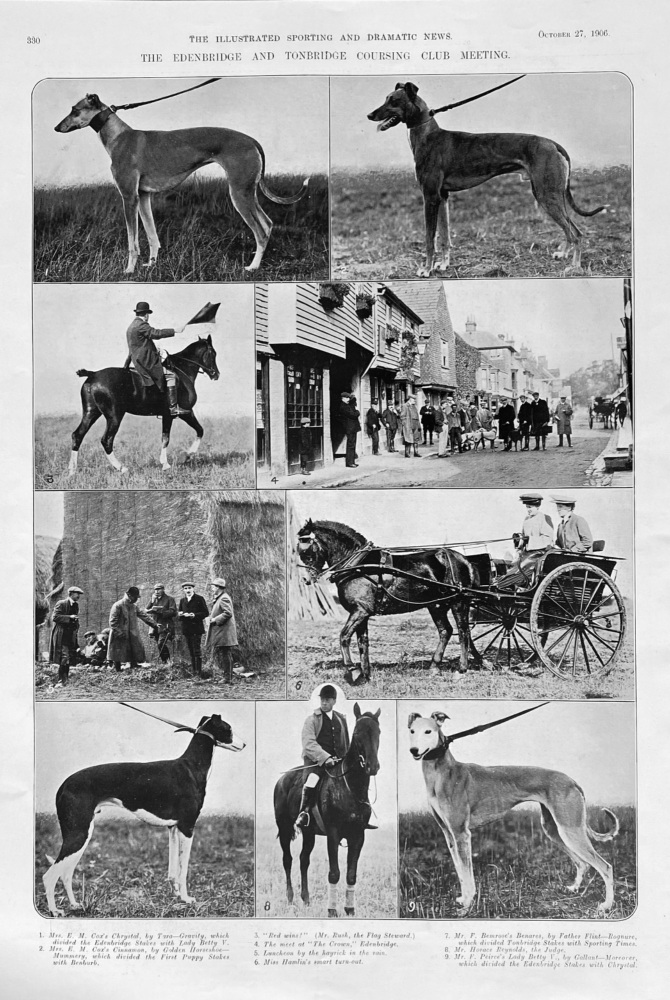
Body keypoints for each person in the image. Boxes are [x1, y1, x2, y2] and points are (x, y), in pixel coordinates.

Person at [294, 684, 350, 833]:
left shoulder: (341, 719)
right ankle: (304, 813)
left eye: (327, 700)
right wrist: (325, 758)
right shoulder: (312, 720)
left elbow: (346, 742)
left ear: (334, 701)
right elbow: (308, 744)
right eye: (322, 700)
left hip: (337, 763)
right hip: (315, 763)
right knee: (312, 780)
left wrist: (345, 760)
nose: (324, 702)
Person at [124, 301, 188, 417]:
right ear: (146, 314)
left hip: (137, 361)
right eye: (148, 314)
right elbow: (156, 333)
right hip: (146, 362)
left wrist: (125, 366)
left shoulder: (131, 327)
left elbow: (132, 349)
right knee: (171, 375)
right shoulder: (141, 325)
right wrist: (174, 331)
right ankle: (173, 407)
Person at [496, 493, 554, 590]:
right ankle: (501, 583)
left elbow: (547, 539)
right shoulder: (527, 519)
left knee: (519, 570)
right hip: (526, 553)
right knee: (512, 568)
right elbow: (523, 537)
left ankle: (502, 585)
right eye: (527, 507)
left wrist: (529, 540)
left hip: (539, 554)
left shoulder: (545, 518)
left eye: (530, 507)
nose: (528, 510)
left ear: (537, 506)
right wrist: (519, 545)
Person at [108, 586, 157, 671]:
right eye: (135, 597)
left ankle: (133, 664)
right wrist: (119, 632)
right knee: (118, 650)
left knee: (134, 647)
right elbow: (112, 622)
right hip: (119, 633)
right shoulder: (118, 605)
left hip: (131, 632)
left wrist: (155, 624)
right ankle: (117, 668)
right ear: (130, 596)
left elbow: (143, 615)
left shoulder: (134, 606)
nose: (137, 599)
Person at [205, 577, 238, 684]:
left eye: (213, 586)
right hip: (222, 632)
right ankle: (227, 676)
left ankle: (227, 678)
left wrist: (214, 619)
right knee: (225, 653)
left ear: (218, 587)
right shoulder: (220, 597)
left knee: (226, 654)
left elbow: (228, 613)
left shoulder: (224, 598)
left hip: (225, 632)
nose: (212, 588)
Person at [49, 585, 84, 685]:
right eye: (77, 594)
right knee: (64, 657)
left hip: (70, 635)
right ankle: (61, 679)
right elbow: (55, 617)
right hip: (61, 635)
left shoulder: (76, 606)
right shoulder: (61, 603)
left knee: (69, 657)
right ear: (71, 594)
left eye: (79, 594)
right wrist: (70, 617)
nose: (78, 596)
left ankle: (65, 678)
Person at [178, 582, 210, 677]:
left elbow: (205, 613)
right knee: (191, 650)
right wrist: (180, 615)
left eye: (189, 588)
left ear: (193, 589)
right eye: (186, 588)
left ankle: (198, 673)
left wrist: (194, 615)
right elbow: (180, 614)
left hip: (196, 628)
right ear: (183, 590)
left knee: (197, 650)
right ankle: (193, 671)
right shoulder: (182, 601)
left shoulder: (199, 599)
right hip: (187, 629)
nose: (188, 590)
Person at [145, 584, 178, 664]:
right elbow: (146, 610)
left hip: (165, 625)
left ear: (163, 589)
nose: (157, 591)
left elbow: (173, 612)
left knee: (161, 643)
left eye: (159, 589)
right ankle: (165, 662)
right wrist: (152, 602)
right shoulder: (153, 600)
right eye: (155, 590)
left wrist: (161, 612)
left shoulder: (169, 599)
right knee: (158, 644)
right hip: (155, 626)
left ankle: (167, 661)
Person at [340, 391, 360, 468]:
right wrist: (357, 412)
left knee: (352, 444)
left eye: (349, 398)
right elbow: (353, 415)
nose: (348, 399)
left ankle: (352, 461)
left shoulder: (347, 405)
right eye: (347, 398)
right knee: (351, 445)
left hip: (352, 427)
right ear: (343, 398)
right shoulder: (343, 406)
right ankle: (349, 463)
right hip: (350, 428)